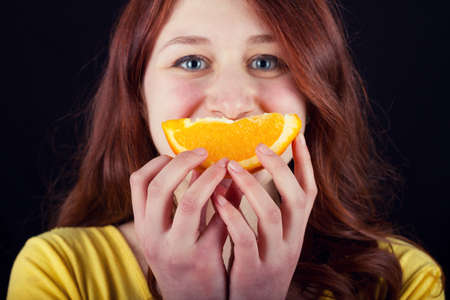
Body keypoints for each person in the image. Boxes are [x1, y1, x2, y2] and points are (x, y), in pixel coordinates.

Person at [7, 0, 445, 299]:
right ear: (138, 94)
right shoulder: (60, 271)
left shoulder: (405, 280)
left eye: (267, 61)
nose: (233, 104)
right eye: (192, 62)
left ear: (316, 93)